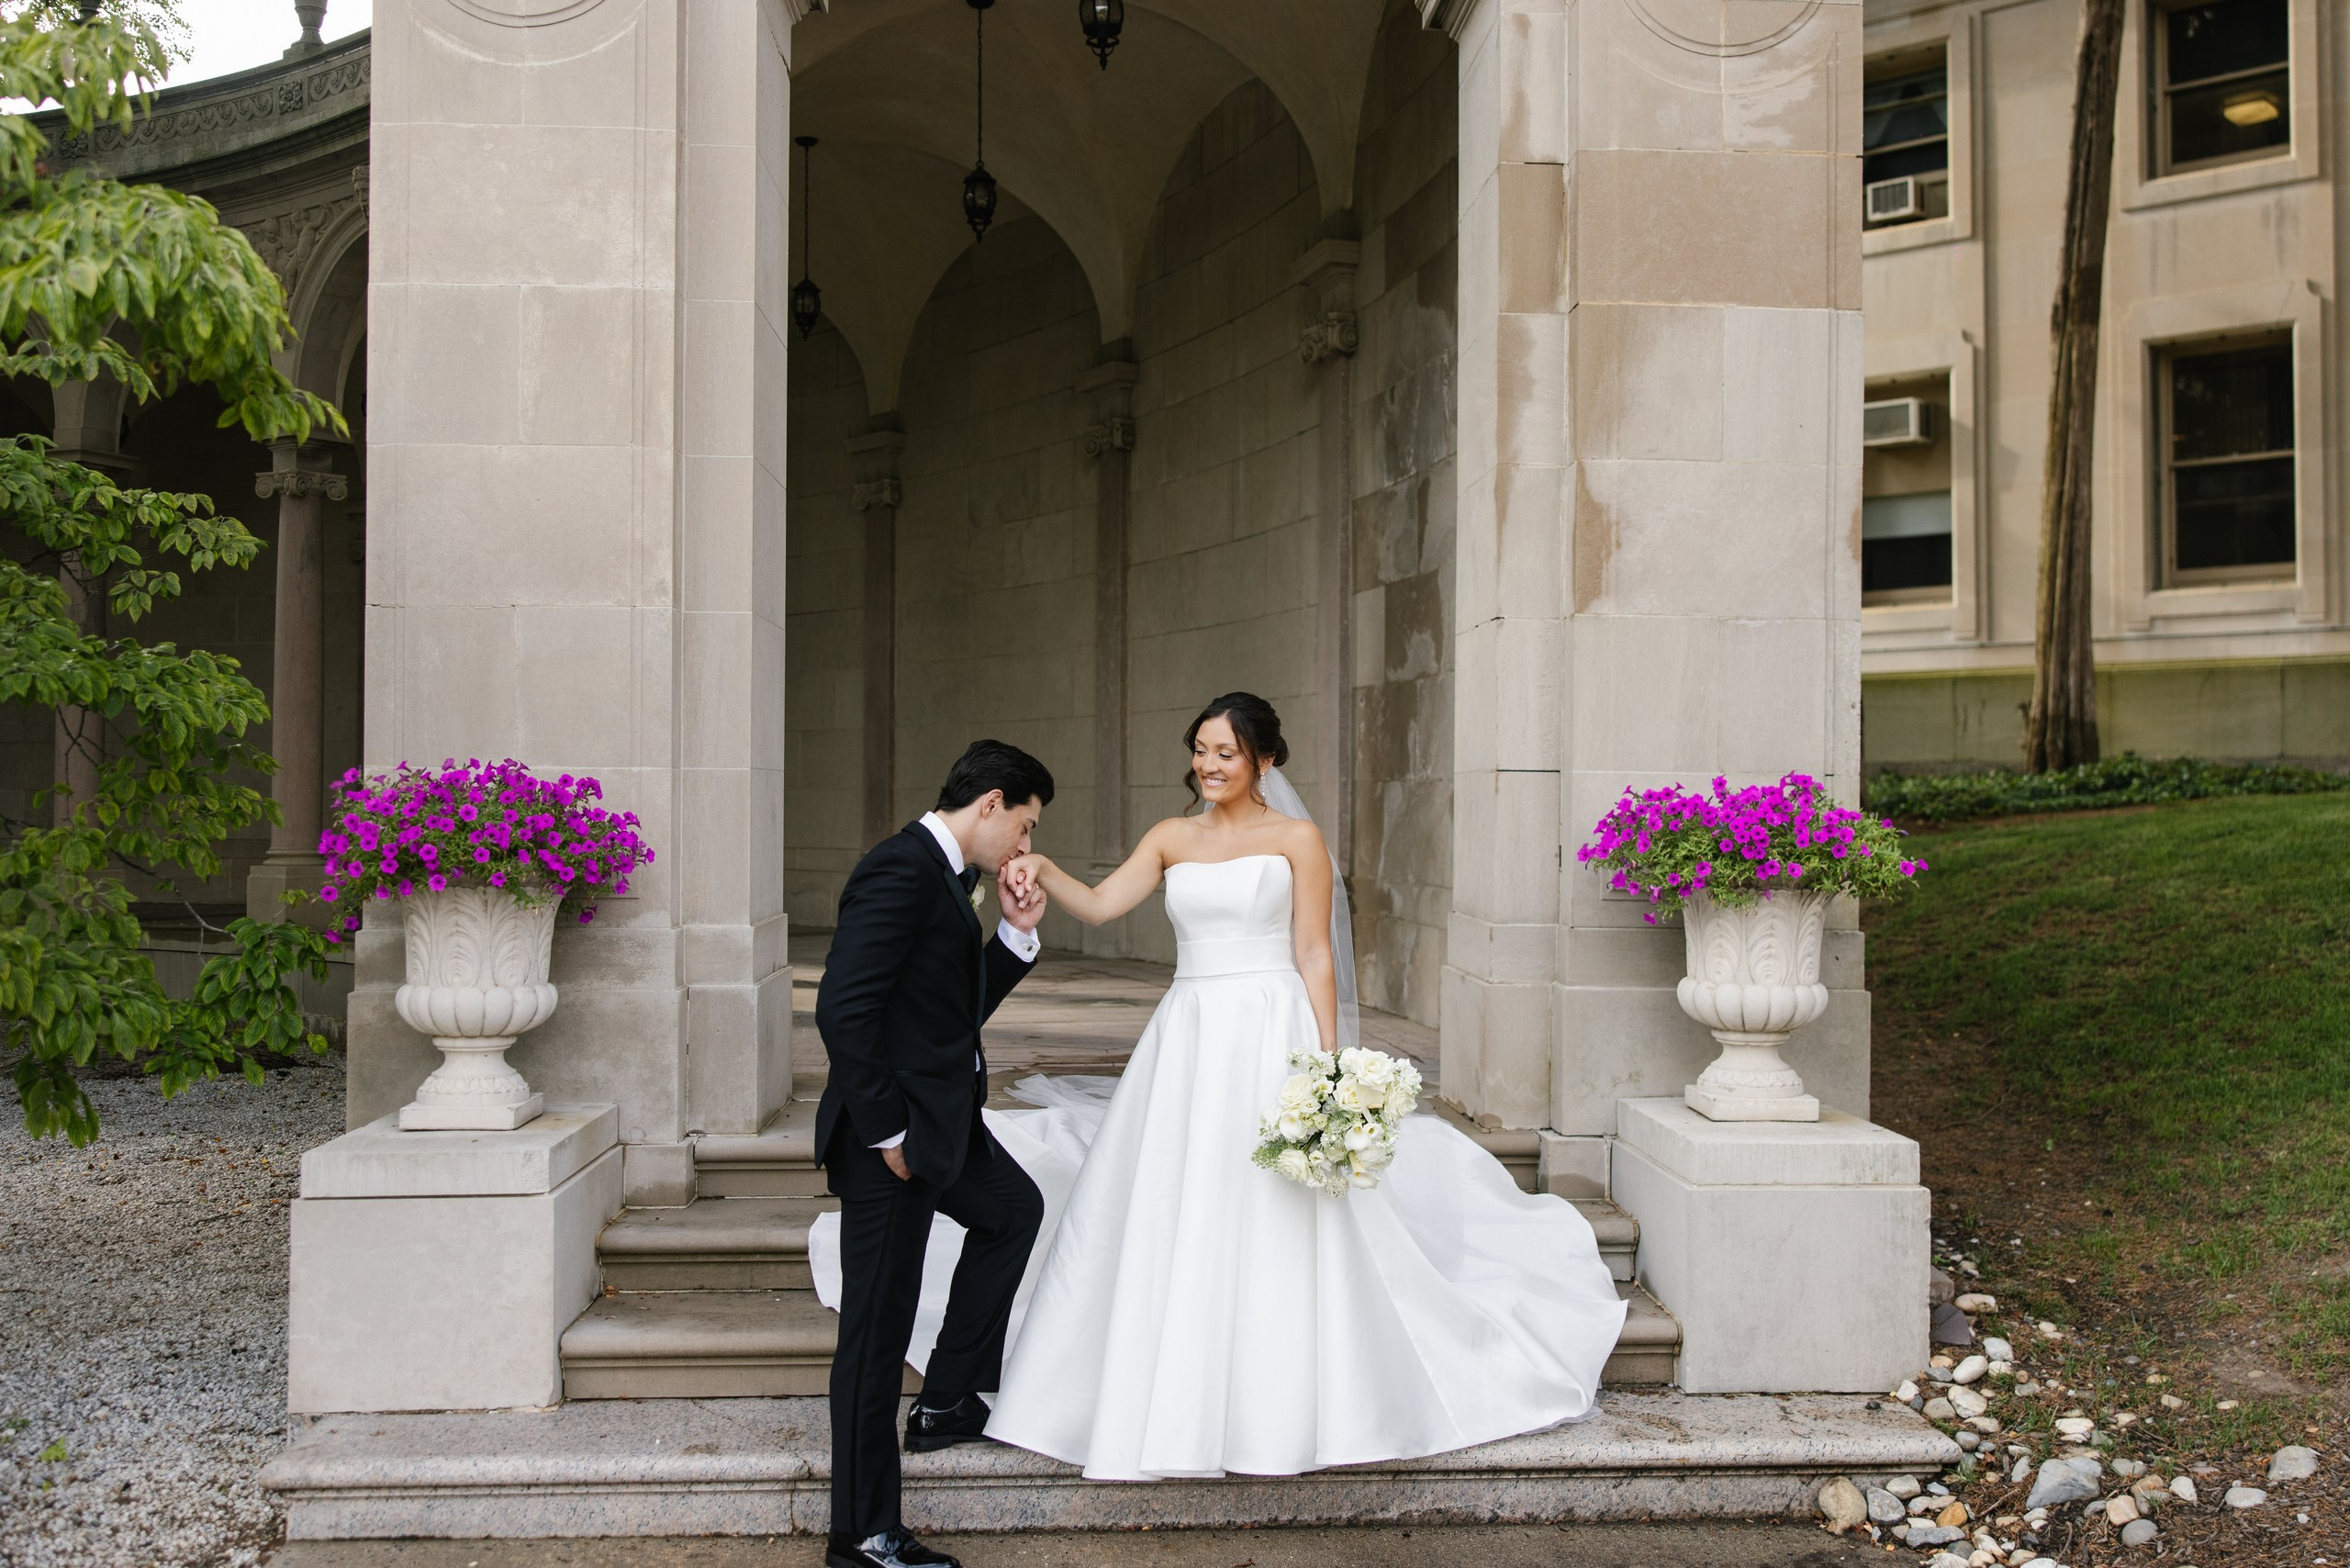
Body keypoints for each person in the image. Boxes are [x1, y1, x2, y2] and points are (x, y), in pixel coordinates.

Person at [810, 693, 1628, 1484]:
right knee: (1182, 1198)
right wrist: (1041, 872)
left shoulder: (1298, 838)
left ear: (1263, 759)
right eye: (1200, 750)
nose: (1208, 764)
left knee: (1275, 1208)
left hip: (1272, 1031)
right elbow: (1099, 906)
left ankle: (1279, 1395)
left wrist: (1332, 1066)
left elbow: (1314, 955)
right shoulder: (1171, 836)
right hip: (1192, 1033)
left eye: (1225, 752)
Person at [812, 739, 1054, 1568]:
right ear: (990, 803)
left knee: (1014, 1210)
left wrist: (1016, 936)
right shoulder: (901, 869)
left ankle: (947, 1400)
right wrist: (888, 1134)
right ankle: (864, 1534)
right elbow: (842, 1011)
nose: (1024, 849)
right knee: (874, 1338)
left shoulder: (952, 879)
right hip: (894, 1141)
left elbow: (948, 1013)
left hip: (940, 1125)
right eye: (1022, 829)